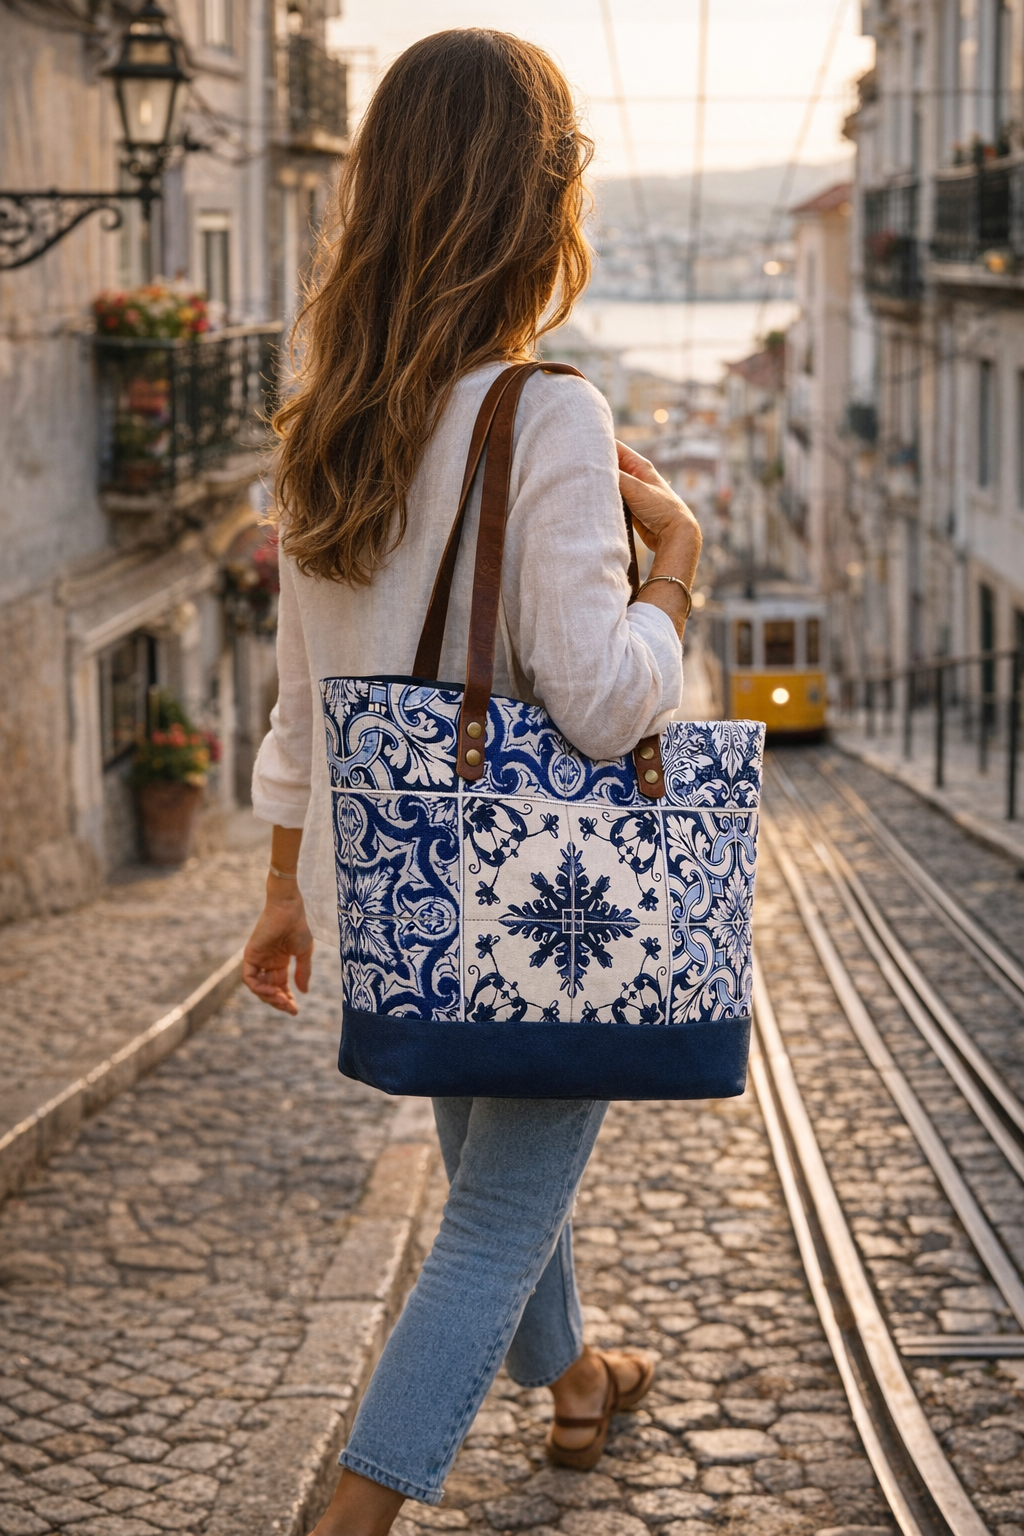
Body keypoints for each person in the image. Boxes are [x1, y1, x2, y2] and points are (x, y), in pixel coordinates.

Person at [242, 28, 702, 1536]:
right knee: (500, 1212)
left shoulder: (331, 422)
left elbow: (303, 694)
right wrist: (677, 574)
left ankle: (575, 1385)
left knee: (501, 1163)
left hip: (391, 893)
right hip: (537, 895)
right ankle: (350, 1522)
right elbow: (598, 697)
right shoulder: (548, 413)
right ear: (539, 202)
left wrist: (274, 894)